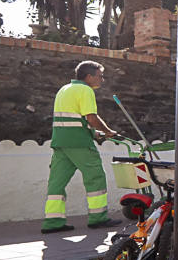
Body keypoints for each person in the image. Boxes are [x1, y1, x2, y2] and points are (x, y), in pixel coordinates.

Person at [41, 61, 120, 233]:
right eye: (100, 76)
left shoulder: (64, 89)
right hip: (79, 143)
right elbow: (91, 118)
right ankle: (98, 218)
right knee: (95, 178)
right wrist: (107, 131)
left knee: (57, 183)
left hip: (61, 142)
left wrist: (94, 133)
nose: (102, 79)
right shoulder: (85, 90)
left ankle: (53, 222)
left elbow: (73, 120)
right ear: (89, 76)